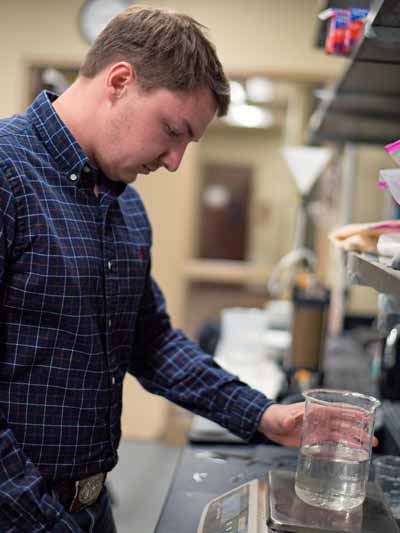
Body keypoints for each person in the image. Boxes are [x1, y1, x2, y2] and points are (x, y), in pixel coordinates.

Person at [0, 5, 305, 531]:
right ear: (119, 81)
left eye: (189, 142)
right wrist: (39, 517)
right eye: (172, 130)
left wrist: (261, 415)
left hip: (92, 507)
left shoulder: (125, 206)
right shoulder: (8, 174)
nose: (174, 161)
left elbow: (151, 340)